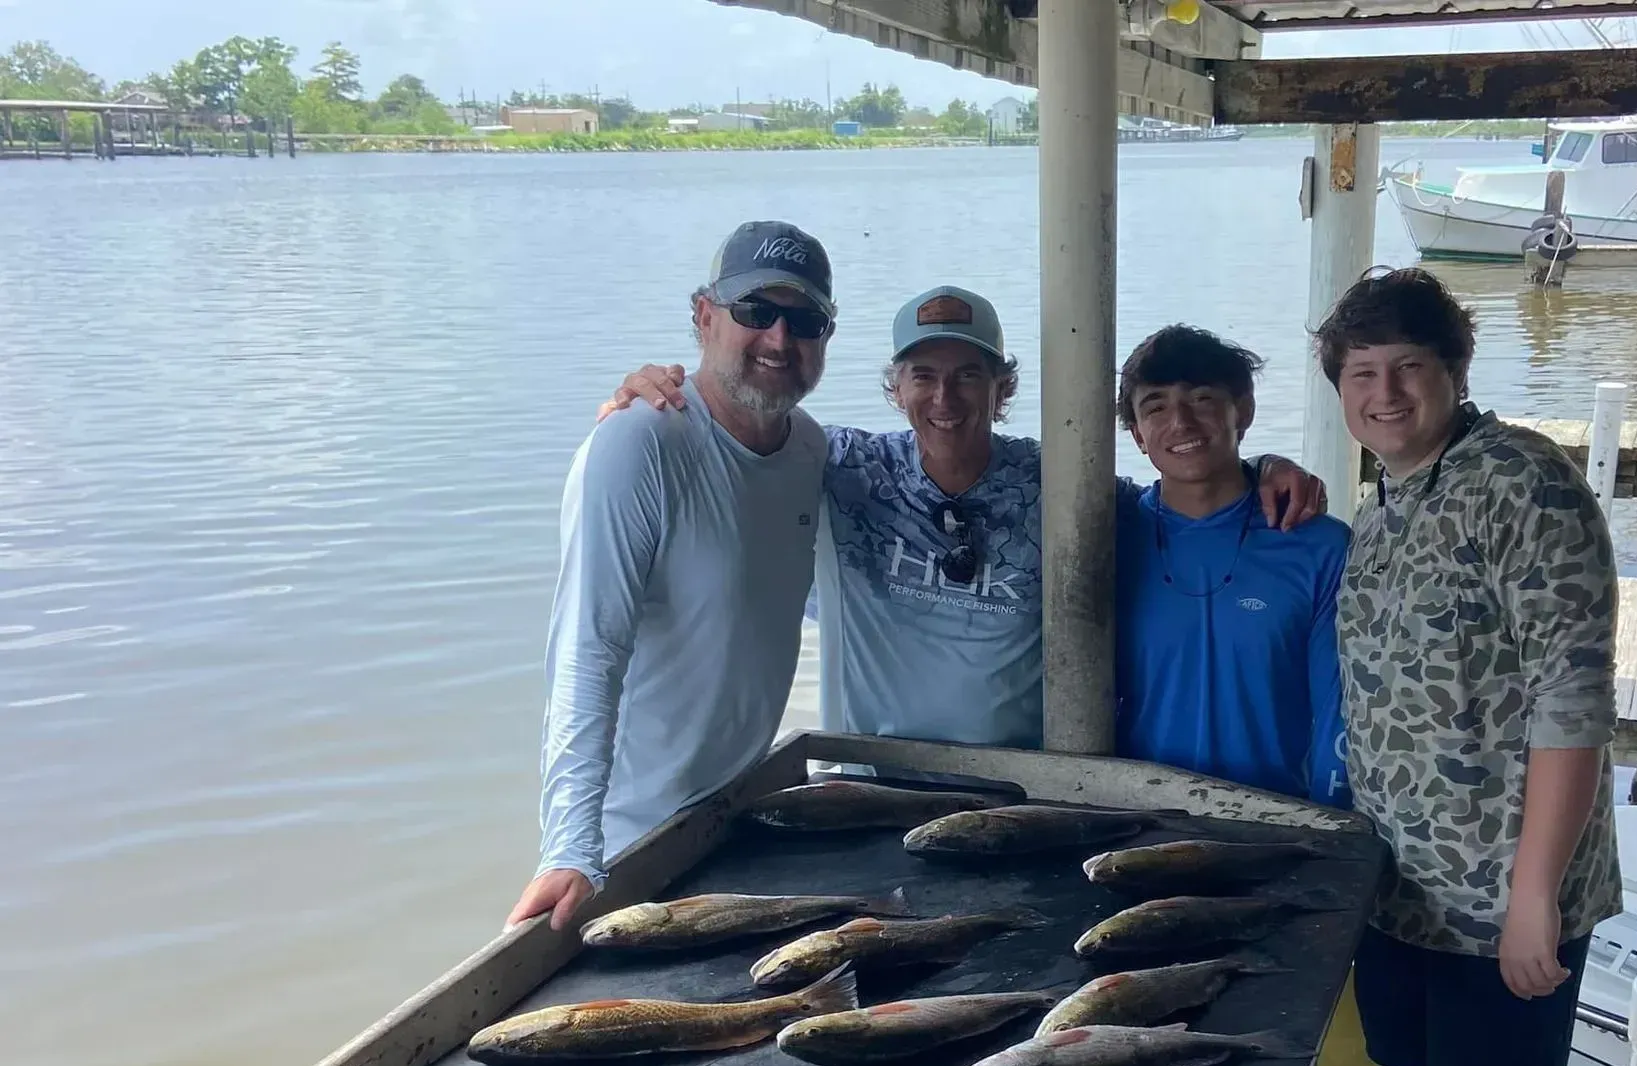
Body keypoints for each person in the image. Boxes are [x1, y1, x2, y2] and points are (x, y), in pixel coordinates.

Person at [1323, 268, 1621, 1066]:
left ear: (1457, 366)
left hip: (1506, 897)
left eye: (1408, 368)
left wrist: (1534, 897)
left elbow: (1573, 697)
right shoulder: (1387, 500)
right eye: (1360, 375)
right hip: (1410, 893)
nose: (1384, 395)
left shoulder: (1524, 484)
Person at [601, 288, 1324, 753]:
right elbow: (745, 439)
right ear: (896, 388)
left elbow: (1184, 491)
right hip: (871, 782)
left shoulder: (1063, 483)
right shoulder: (838, 465)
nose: (945, 396)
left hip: (1017, 788)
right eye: (923, 375)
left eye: (968, 374)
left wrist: (1263, 471)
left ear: (1002, 387)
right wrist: (673, 396)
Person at [505, 220, 834, 933]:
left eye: (804, 320)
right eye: (756, 312)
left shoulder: (811, 448)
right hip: (626, 846)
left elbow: (788, 600)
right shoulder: (638, 442)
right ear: (703, 316)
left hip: (738, 819)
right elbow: (586, 652)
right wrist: (570, 846)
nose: (780, 339)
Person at [1112, 325, 1349, 806]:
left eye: (1201, 399)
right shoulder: (1107, 538)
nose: (1180, 422)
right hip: (1132, 816)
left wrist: (1334, 828)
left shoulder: (1317, 545)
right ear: (1137, 435)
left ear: (1243, 410)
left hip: (1275, 819)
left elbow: (1339, 712)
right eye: (1155, 407)